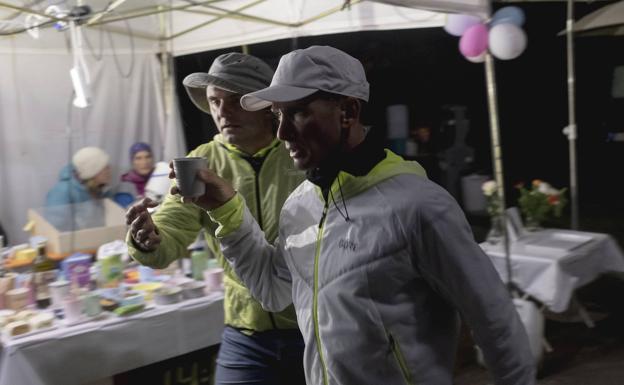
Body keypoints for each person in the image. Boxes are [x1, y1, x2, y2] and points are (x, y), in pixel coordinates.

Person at [169, 46, 536, 385]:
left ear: (348, 111)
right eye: (279, 114)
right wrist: (228, 210)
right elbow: (271, 290)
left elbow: (496, 323)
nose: (281, 132)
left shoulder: (418, 205)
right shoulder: (300, 205)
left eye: (297, 112)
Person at [125, 53, 306, 385]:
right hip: (245, 331)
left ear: (267, 106)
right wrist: (149, 238)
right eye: (214, 101)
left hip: (313, 322)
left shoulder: (300, 153)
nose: (222, 111)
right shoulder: (200, 161)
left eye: (236, 100)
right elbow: (174, 226)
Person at [46, 146, 113, 206]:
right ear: (92, 172)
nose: (109, 170)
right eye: (105, 168)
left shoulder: (102, 188)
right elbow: (55, 219)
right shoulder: (62, 192)